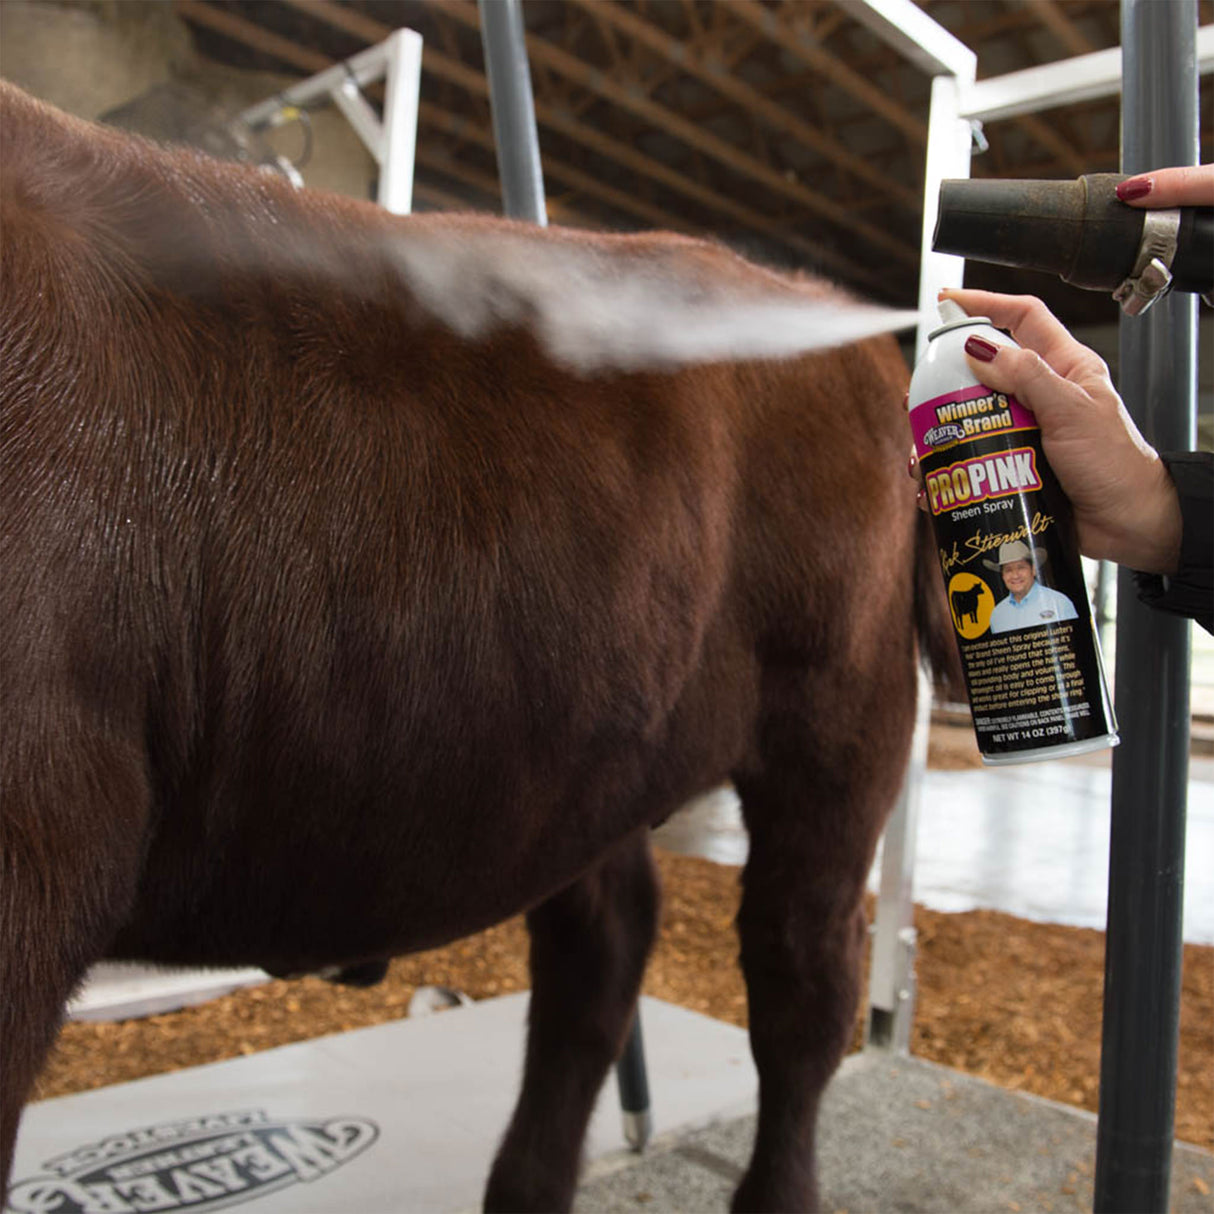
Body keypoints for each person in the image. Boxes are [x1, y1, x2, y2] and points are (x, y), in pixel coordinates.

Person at [911, 163, 1213, 635]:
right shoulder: (1003, 614)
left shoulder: (1053, 604)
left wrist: (1159, 517)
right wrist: (1159, 517)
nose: (1013, 575)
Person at [984, 541, 1077, 634]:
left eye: (1021, 567)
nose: (1015, 575)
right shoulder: (997, 615)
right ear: (1003, 576)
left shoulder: (1059, 602)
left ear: (1033, 570)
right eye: (1008, 570)